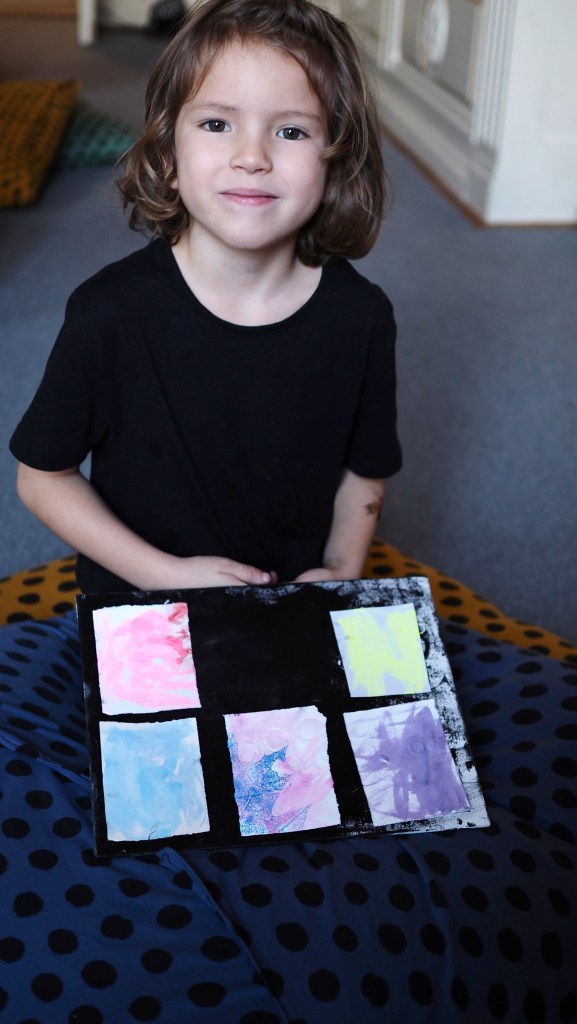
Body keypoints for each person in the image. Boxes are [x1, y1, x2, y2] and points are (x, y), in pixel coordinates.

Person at [9, 0, 402, 596]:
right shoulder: (109, 312)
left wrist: (342, 570)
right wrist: (165, 577)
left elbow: (365, 471)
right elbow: (42, 478)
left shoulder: (362, 317)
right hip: (144, 600)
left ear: (335, 165)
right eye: (217, 124)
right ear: (168, 155)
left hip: (289, 600)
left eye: (291, 131)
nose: (252, 157)